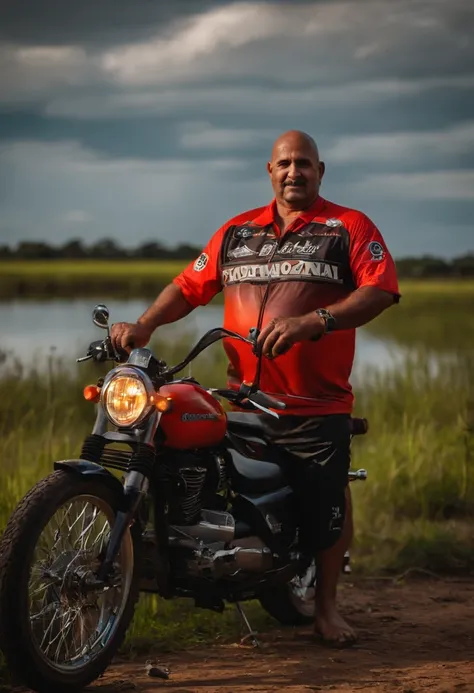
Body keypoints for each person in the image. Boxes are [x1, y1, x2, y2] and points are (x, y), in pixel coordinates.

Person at [111, 130, 400, 646]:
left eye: (304, 164)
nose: (295, 172)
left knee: (324, 504)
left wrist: (317, 320)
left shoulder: (348, 227)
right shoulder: (237, 232)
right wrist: (145, 326)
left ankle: (327, 609)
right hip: (241, 398)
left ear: (320, 171)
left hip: (315, 405)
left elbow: (378, 290)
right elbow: (188, 285)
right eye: (285, 163)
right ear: (270, 171)